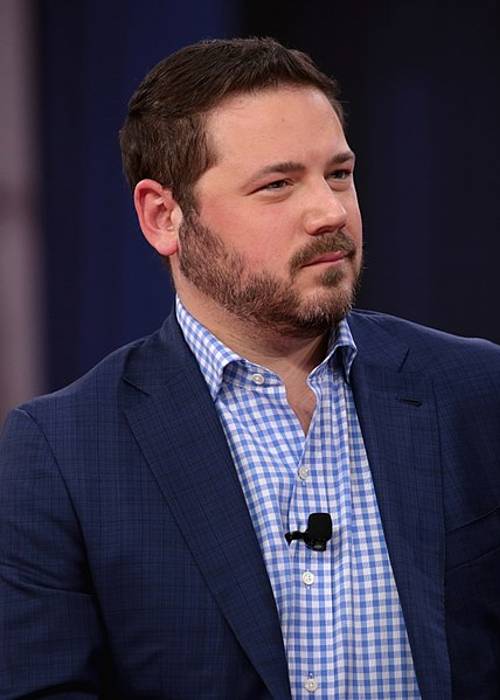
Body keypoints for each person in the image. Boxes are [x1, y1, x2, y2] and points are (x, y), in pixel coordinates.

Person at [1, 37, 499, 700]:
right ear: (163, 216)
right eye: (277, 185)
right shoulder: (59, 453)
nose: (329, 211)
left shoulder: (476, 393)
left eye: (340, 174)